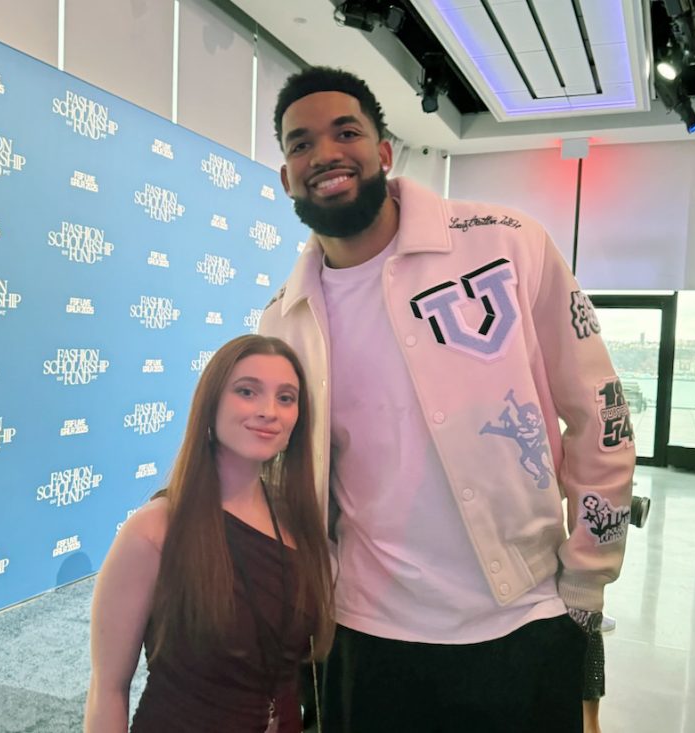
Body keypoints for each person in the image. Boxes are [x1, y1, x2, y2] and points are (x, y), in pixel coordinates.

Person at [259, 66, 636, 733]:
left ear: (383, 150)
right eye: (300, 143)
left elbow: (599, 412)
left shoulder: (506, 242)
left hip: (523, 619)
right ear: (287, 176)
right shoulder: (284, 318)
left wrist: (587, 574)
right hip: (366, 633)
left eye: (345, 131)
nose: (324, 153)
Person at [84, 334, 334, 733]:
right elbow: (108, 689)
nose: (269, 411)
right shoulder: (155, 530)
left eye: (286, 398)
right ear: (211, 404)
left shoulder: (295, 521)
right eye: (247, 391)